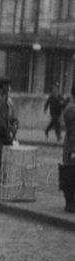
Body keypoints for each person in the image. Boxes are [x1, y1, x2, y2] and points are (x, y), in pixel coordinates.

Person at [60, 84, 75, 213]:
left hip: (71, 144)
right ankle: (69, 202)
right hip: (72, 145)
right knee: (70, 174)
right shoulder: (72, 108)